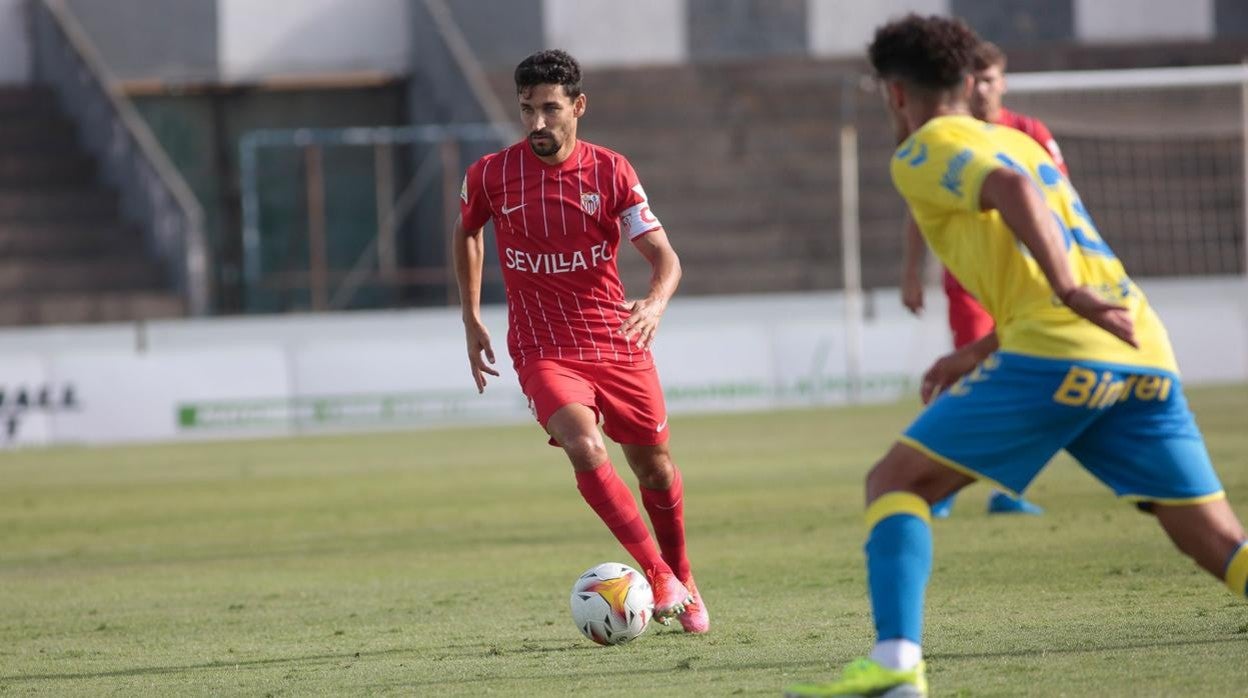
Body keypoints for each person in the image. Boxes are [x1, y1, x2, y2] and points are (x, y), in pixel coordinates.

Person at [786, 14, 1247, 697]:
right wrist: (978, 349)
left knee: (896, 483)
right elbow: (1027, 214)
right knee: (1209, 535)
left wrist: (1067, 291)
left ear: (894, 92)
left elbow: (1014, 196)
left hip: (1062, 353)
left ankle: (895, 664)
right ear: (967, 80)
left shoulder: (926, 146)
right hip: (1141, 349)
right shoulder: (1013, 140)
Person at [452, 49, 708, 633]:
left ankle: (683, 575)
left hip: (615, 340)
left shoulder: (612, 172)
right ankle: (657, 574)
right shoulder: (490, 174)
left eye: (549, 109)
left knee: (656, 470)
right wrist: (470, 316)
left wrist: (656, 301)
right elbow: (466, 233)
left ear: (578, 107)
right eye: (526, 110)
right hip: (542, 346)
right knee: (584, 446)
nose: (537, 123)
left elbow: (665, 255)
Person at [900, 40, 1065, 518]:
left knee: (1026, 378)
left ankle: (1007, 488)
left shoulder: (1030, 132)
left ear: (1002, 82)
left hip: (1028, 282)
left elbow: (1059, 199)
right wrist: (912, 272)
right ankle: (944, 482)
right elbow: (918, 209)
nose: (983, 89)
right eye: (976, 80)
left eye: (992, 79)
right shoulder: (948, 141)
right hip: (970, 281)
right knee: (969, 377)